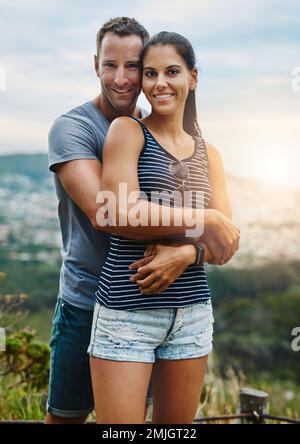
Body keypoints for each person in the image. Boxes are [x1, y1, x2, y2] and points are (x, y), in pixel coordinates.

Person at [46, 17, 238, 424]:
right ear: (95, 64)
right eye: (110, 65)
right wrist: (206, 221)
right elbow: (109, 212)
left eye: (135, 66)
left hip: (183, 309)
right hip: (92, 299)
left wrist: (187, 252)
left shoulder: (203, 148)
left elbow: (226, 238)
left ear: (192, 77)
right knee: (67, 418)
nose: (123, 78)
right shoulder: (89, 128)